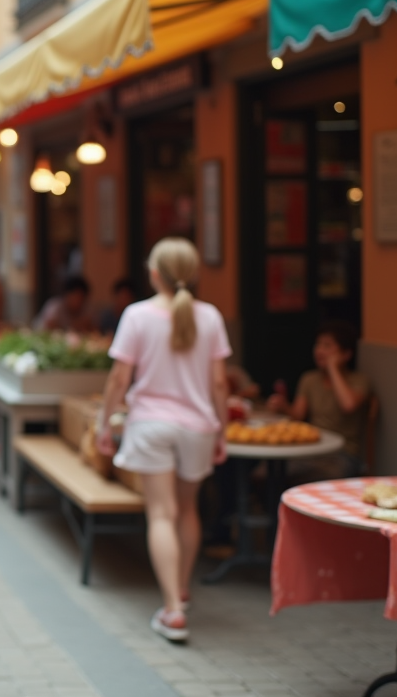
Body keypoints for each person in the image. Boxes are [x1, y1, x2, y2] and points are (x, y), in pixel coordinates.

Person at [95, 238, 230, 643]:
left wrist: (104, 424)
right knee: (188, 510)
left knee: (161, 514)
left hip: (151, 426)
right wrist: (221, 429)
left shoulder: (137, 315)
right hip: (198, 427)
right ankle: (182, 590)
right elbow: (219, 383)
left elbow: (119, 379)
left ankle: (172, 610)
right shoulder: (211, 317)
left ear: (154, 273)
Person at [267, 320, 371, 474]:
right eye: (318, 345)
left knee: (321, 474)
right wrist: (284, 406)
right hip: (313, 448)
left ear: (346, 354)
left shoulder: (359, 380)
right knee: (270, 472)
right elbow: (298, 415)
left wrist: (333, 368)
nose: (319, 351)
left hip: (344, 453)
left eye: (327, 346)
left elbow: (348, 405)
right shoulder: (309, 379)